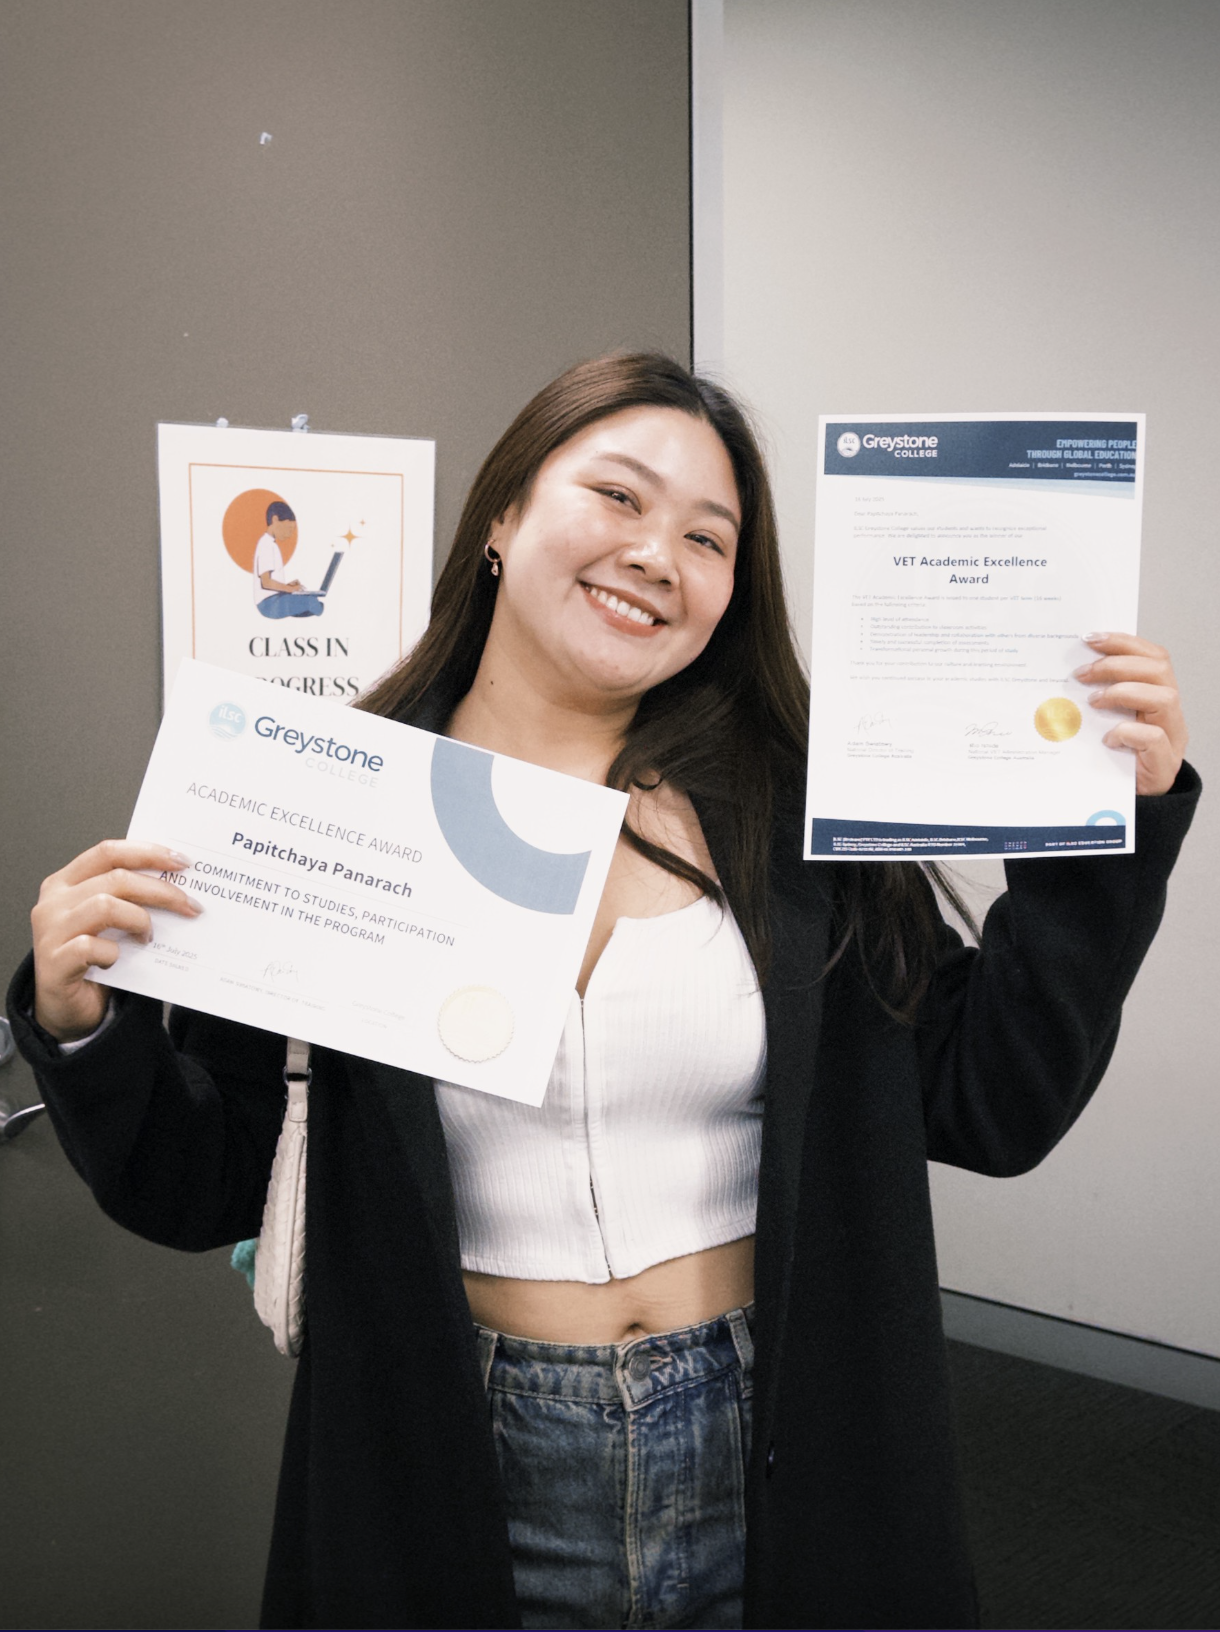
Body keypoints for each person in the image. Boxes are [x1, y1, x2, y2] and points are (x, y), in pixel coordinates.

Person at [10, 354, 1198, 1631]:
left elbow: (990, 1103)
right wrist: (85, 1029)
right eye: (618, 497)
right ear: (502, 515)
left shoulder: (791, 813)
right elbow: (201, 1185)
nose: (655, 555)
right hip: (455, 1446)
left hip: (776, 1429)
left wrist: (1103, 837)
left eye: (706, 537)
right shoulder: (328, 802)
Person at [253, 500, 324, 618]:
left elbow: (270, 584)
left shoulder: (270, 544)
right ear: (275, 520)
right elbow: (266, 583)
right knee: (313, 603)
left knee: (309, 600)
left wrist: (288, 587)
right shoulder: (266, 544)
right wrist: (288, 589)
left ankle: (303, 608)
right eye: (289, 528)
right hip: (269, 604)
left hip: (274, 599)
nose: (289, 534)